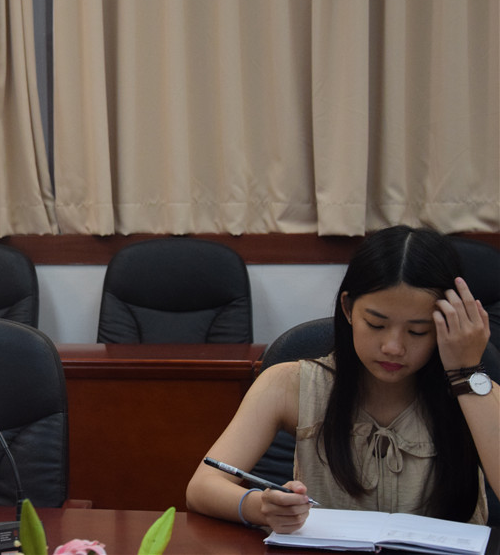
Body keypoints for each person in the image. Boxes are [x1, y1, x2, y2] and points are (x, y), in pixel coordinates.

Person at [186, 225, 499, 532]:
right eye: (376, 324)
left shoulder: (474, 393)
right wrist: (261, 507)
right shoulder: (289, 383)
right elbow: (201, 487)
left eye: (418, 331)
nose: (393, 347)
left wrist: (466, 373)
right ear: (348, 308)